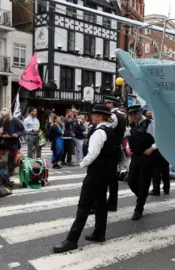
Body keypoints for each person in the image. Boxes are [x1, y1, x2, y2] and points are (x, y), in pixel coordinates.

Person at [53, 104, 116, 253]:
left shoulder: (99, 132)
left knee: (84, 205)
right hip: (107, 170)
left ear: (99, 116)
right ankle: (99, 233)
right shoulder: (109, 130)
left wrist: (82, 164)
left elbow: (93, 154)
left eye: (93, 115)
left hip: (97, 171)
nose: (90, 117)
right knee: (100, 202)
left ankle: (72, 240)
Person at [126, 104, 157, 220]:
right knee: (131, 180)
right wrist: (128, 147)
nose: (133, 116)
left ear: (140, 112)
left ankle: (138, 209)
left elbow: (159, 138)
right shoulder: (131, 124)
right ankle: (141, 196)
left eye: (135, 113)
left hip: (147, 156)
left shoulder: (150, 123)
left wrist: (152, 148)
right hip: (136, 156)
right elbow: (129, 137)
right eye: (131, 114)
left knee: (144, 181)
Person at [104, 96, 127, 211]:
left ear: (111, 104)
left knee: (108, 178)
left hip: (110, 149)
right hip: (116, 148)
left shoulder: (113, 116)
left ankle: (110, 203)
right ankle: (112, 203)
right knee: (113, 178)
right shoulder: (122, 115)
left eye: (106, 103)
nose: (105, 105)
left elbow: (106, 130)